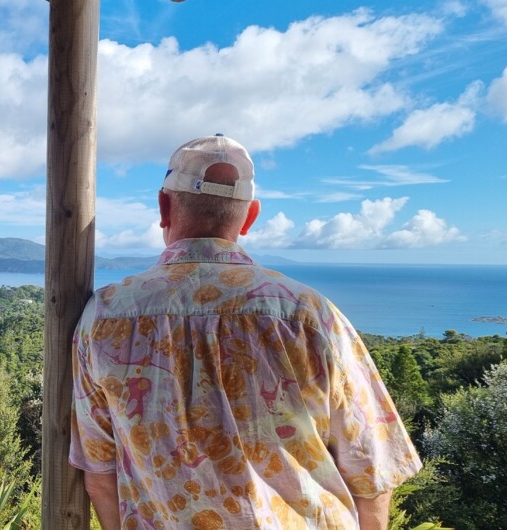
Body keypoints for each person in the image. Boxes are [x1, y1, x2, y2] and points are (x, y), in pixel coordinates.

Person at [69, 135, 422, 530]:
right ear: (251, 216)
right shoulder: (310, 316)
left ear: (164, 207)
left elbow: (100, 476)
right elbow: (372, 472)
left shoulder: (105, 317)